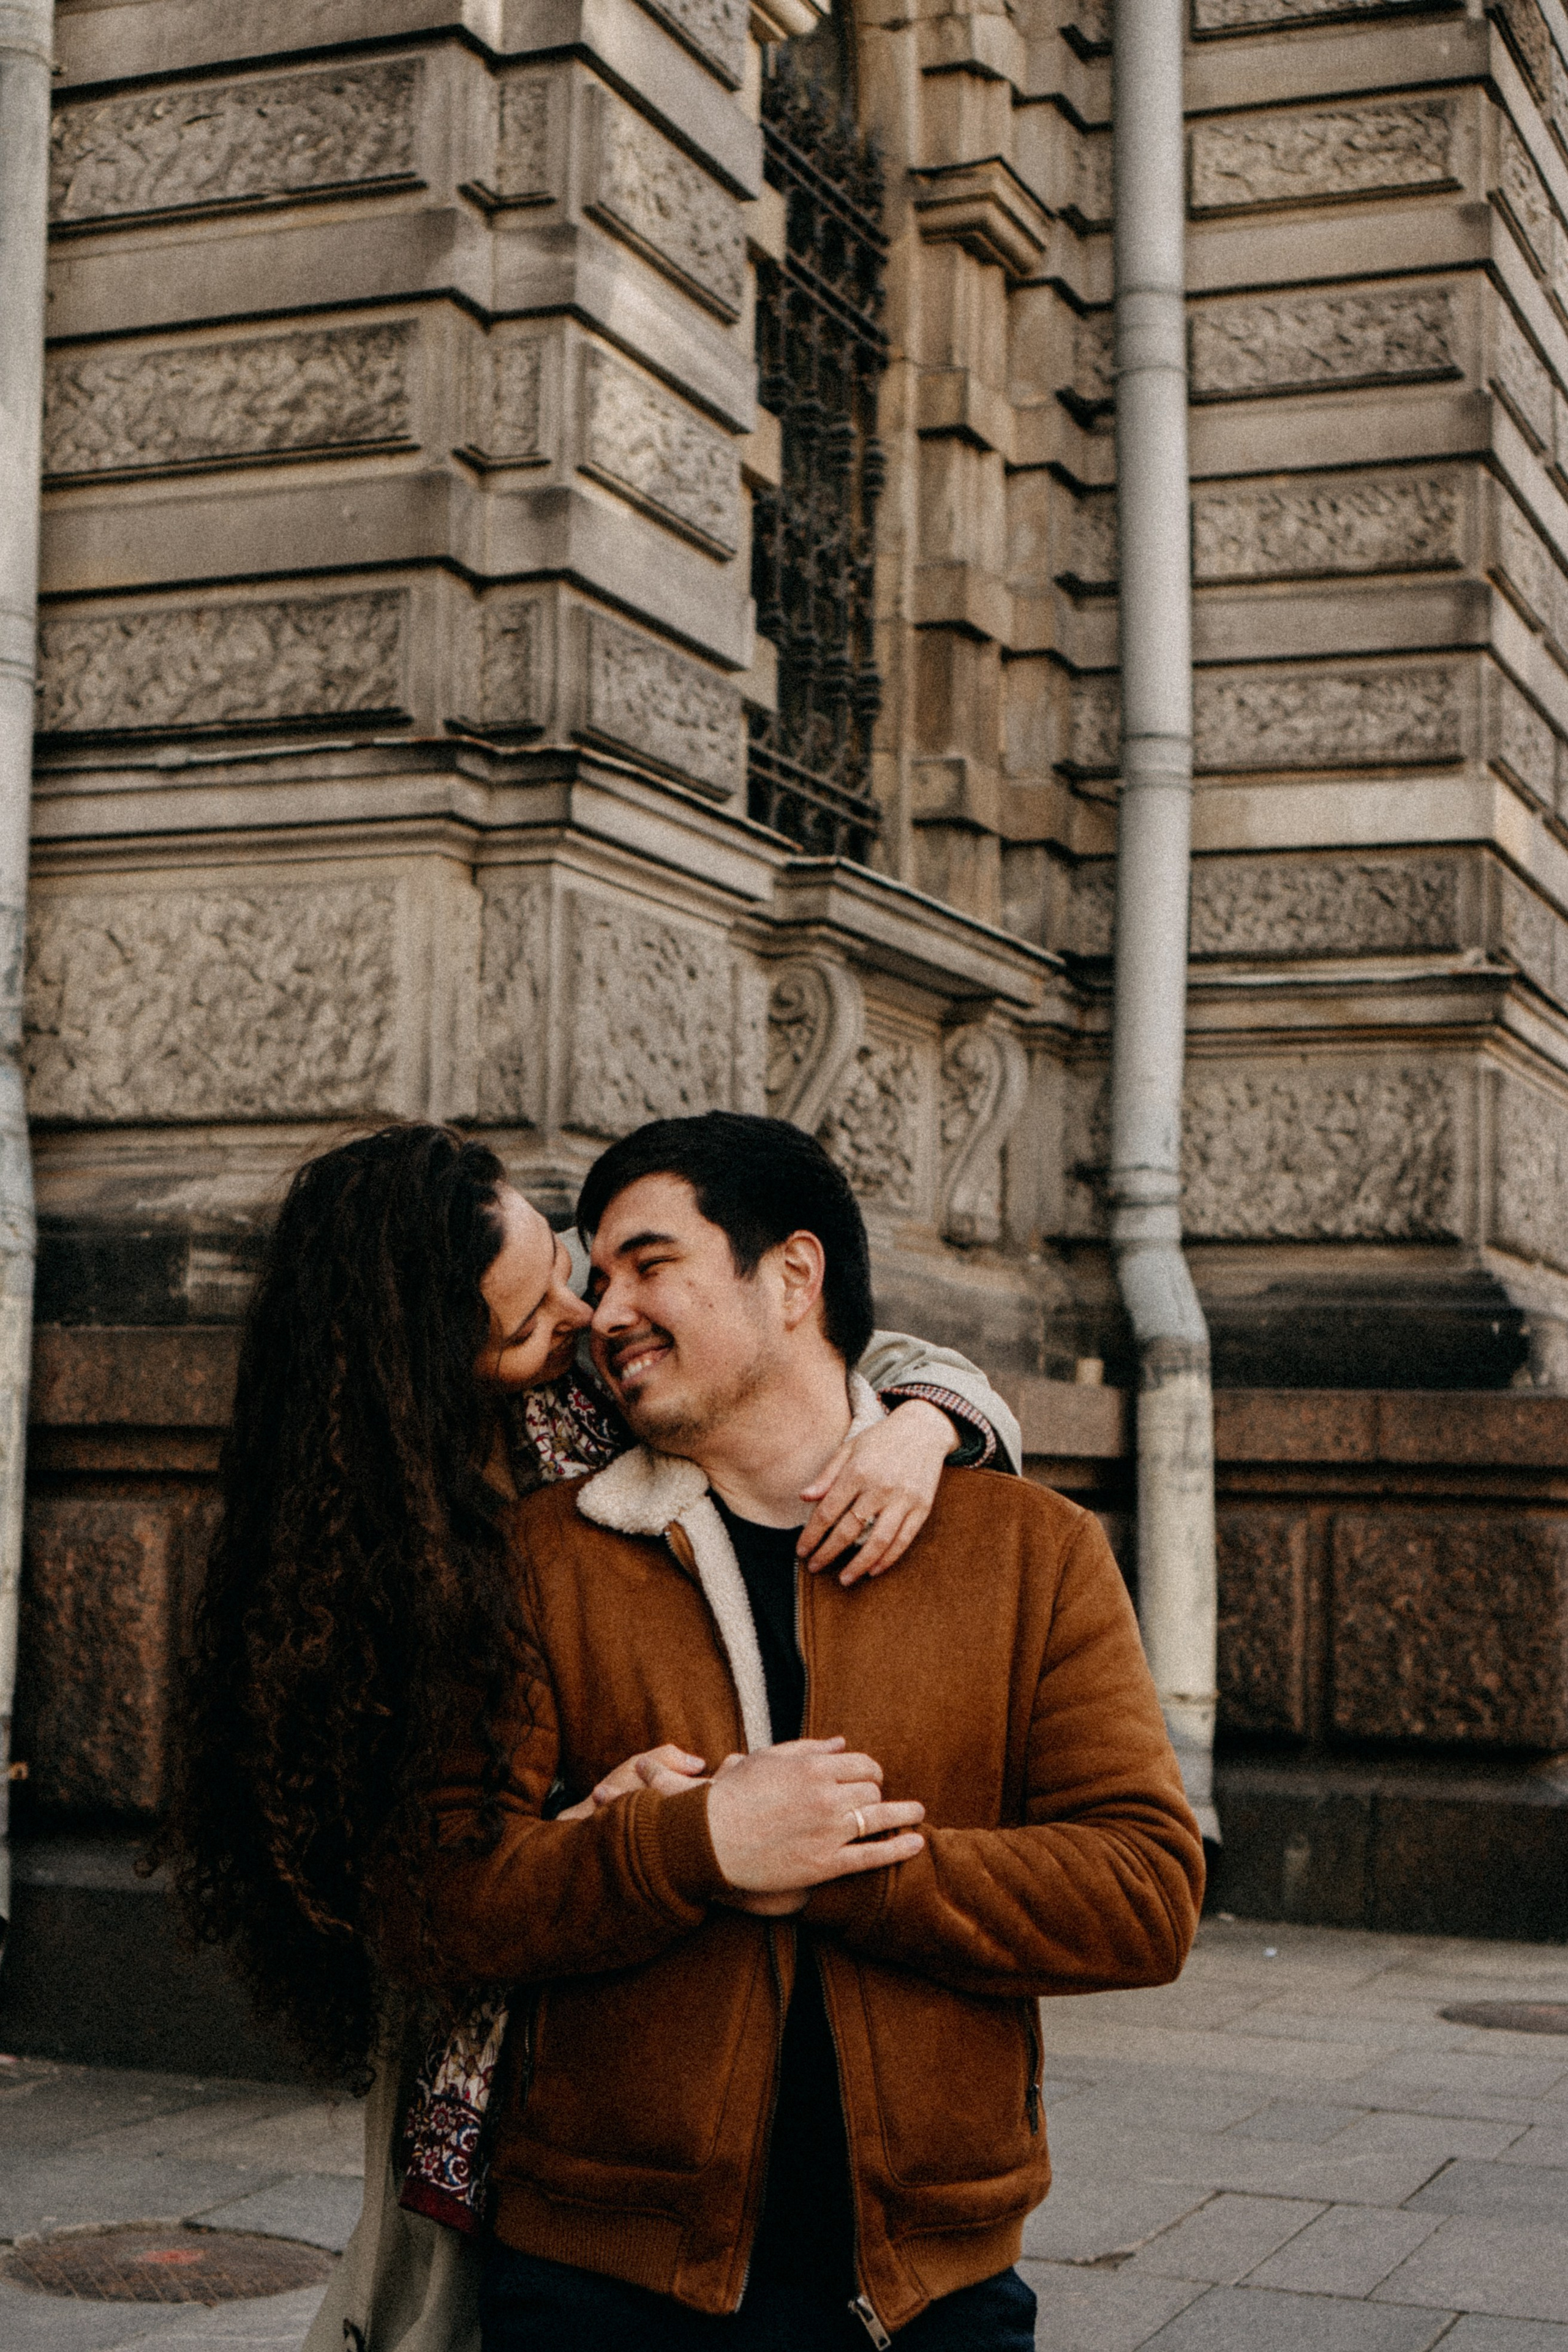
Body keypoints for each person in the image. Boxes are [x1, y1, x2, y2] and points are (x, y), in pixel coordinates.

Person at [161, 1121, 1020, 2352]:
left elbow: (835, 1343)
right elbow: (419, 1879)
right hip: (510, 2050)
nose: (580, 1314)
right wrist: (582, 1812)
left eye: (564, 1266)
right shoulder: (366, 1560)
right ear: (432, 1367)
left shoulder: (603, 1375)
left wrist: (925, 1423)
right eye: (527, 1320)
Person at [390, 1111, 1205, 2352]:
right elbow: (441, 1896)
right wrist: (690, 1847)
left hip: (925, 2289)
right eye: (594, 1277)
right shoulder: (543, 1558)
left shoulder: (1030, 1553)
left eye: (647, 1264)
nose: (602, 1312)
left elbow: (1144, 1894)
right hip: (595, 2283)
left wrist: (843, 1867)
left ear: (791, 1276)